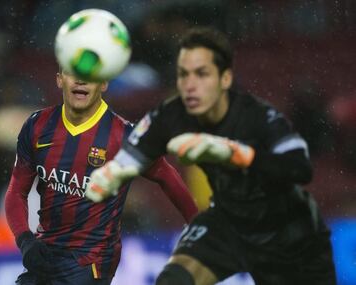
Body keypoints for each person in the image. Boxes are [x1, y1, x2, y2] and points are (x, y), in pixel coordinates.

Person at [86, 27, 337, 285]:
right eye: (184, 75)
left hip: (286, 227)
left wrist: (236, 154)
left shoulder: (259, 117)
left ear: (225, 79)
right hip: (227, 220)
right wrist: (113, 174)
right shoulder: (172, 115)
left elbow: (299, 168)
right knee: (174, 280)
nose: (190, 85)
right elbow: (134, 156)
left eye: (202, 74)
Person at [4, 68, 198, 285]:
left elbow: (166, 176)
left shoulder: (123, 135)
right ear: (59, 79)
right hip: (46, 254)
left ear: (103, 83)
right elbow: (16, 191)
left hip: (91, 261)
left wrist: (198, 227)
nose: (81, 81)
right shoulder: (38, 125)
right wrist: (25, 239)